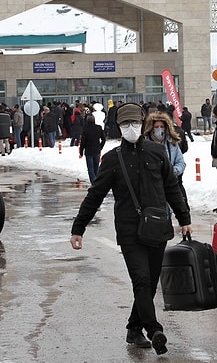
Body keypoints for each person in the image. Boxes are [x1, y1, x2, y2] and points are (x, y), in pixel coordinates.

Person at [70, 103, 192, 355]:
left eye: (135, 123)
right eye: (125, 125)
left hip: (157, 228)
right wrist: (79, 227)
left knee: (149, 282)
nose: (131, 129)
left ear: (142, 123)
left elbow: (172, 188)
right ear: (118, 127)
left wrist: (184, 218)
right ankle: (153, 329)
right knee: (142, 279)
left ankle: (134, 328)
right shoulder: (113, 159)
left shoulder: (157, 153)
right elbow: (95, 194)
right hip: (129, 232)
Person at [144, 111, 187, 205]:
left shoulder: (172, 143)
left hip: (169, 185)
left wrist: (172, 172)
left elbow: (181, 163)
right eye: (156, 127)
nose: (159, 129)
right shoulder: (145, 144)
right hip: (152, 188)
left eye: (162, 127)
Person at [79, 114, 106, 183]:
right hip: (97, 150)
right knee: (96, 167)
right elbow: (103, 139)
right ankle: (97, 181)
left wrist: (81, 152)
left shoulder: (85, 129)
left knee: (90, 168)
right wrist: (100, 147)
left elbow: (83, 142)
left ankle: (93, 182)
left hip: (88, 151)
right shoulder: (98, 128)